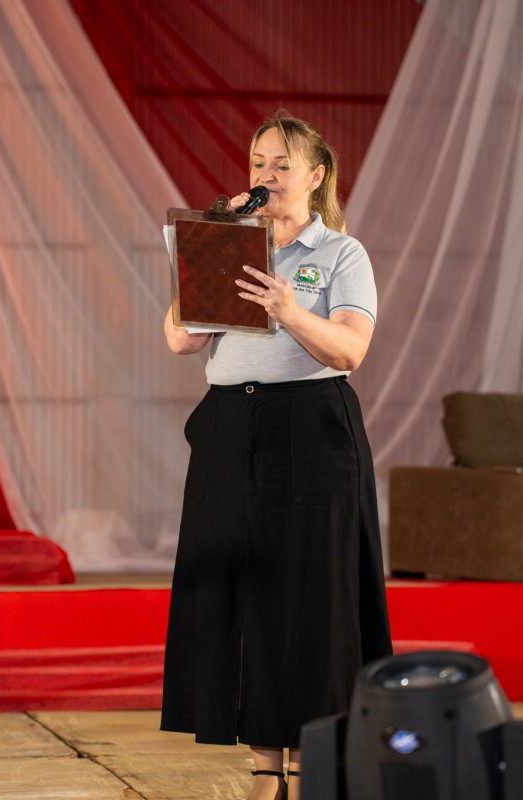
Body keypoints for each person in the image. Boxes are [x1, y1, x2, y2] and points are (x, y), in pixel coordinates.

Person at [160, 112, 392, 800]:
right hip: (231, 429)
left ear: (315, 176)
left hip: (311, 429)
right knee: (243, 592)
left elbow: (350, 351)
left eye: (282, 164)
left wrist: (290, 309)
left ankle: (313, 762)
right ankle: (267, 768)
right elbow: (180, 339)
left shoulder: (342, 254)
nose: (266, 175)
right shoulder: (234, 243)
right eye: (258, 162)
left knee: (310, 598)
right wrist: (207, 249)